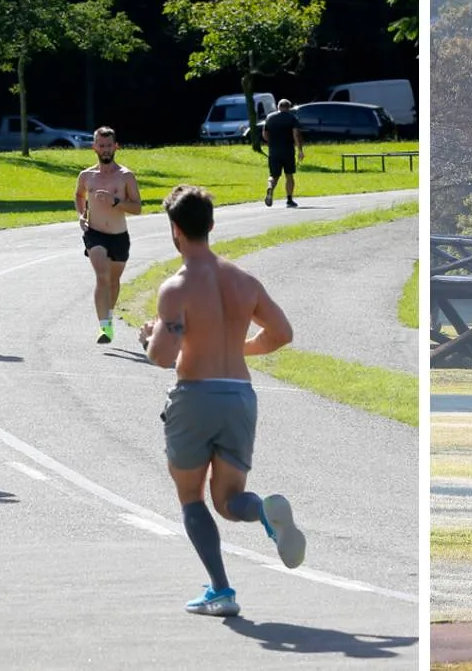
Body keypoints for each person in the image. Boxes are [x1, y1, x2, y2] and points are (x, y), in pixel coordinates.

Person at [138, 184, 305, 617]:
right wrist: (236, 346)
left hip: (194, 396)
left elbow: (161, 357)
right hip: (239, 395)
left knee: (191, 497)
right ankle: (266, 514)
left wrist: (150, 336)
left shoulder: (175, 287)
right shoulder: (243, 280)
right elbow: (282, 334)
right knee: (231, 501)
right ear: (211, 225)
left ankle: (221, 590)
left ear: (174, 230)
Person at [74, 126, 141, 344]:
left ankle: (109, 318)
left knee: (113, 281)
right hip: (95, 234)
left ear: (116, 147)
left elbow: (137, 207)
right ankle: (104, 327)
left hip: (119, 236)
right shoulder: (86, 176)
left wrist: (116, 202)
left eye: (108, 145)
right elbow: (78, 195)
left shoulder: (126, 176)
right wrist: (81, 214)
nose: (105, 150)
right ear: (94, 147)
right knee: (102, 276)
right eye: (101, 146)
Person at [262, 99, 303, 208]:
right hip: (288, 150)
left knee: (273, 175)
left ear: (278, 107)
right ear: (289, 107)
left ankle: (270, 187)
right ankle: (289, 199)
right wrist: (300, 150)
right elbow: (296, 135)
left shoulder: (270, 117)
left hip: (274, 151)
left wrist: (271, 143)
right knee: (289, 175)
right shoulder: (292, 118)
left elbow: (265, 134)